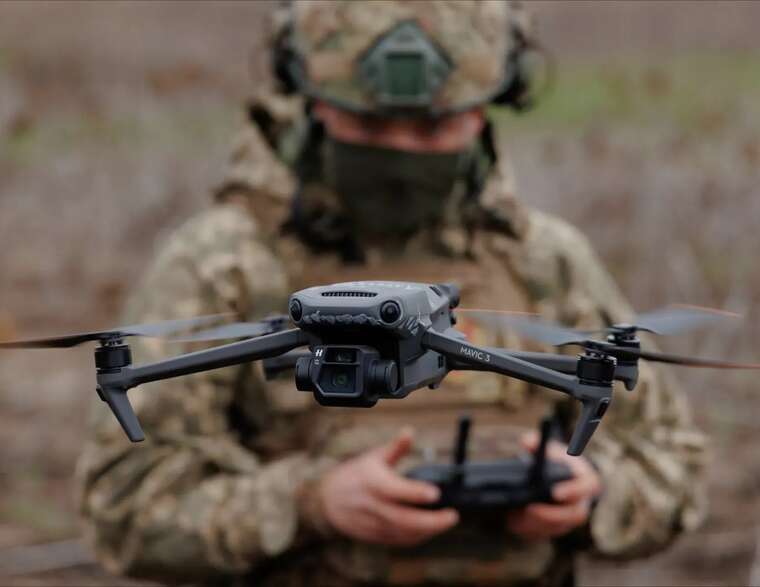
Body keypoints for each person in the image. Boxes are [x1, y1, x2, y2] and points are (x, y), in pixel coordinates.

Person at [77, 2, 706, 585]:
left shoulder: (545, 263)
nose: (402, 150)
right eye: (371, 125)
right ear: (312, 102)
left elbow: (673, 465)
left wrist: (592, 493)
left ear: (484, 111)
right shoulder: (224, 266)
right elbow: (123, 502)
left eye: (433, 128)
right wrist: (309, 501)